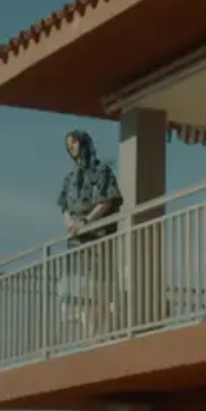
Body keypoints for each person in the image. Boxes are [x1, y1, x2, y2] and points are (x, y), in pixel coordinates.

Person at [57, 131, 123, 337]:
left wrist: (86, 221)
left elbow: (106, 201)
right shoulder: (69, 178)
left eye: (74, 142)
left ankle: (102, 335)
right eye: (68, 144)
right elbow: (64, 207)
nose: (71, 147)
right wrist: (70, 225)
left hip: (98, 242)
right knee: (78, 299)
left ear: (84, 143)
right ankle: (91, 335)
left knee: (98, 295)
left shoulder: (101, 171)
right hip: (77, 247)